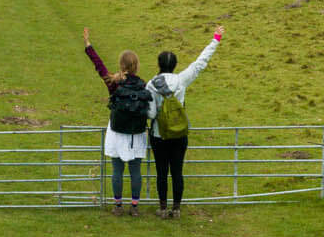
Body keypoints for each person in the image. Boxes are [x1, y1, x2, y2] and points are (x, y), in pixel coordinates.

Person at [146, 26, 224, 218]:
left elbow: (151, 113)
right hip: (179, 133)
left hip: (158, 134)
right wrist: (215, 39)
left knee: (162, 172)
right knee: (177, 171)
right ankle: (177, 208)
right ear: (174, 65)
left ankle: (163, 208)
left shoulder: (151, 84)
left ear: (159, 64)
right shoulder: (182, 80)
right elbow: (200, 63)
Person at [83, 26, 152, 214]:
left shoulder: (113, 83)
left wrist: (88, 45)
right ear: (136, 66)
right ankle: (135, 207)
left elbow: (99, 66)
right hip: (136, 133)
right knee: (135, 171)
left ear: (121, 65)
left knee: (117, 170)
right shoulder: (143, 86)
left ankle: (118, 205)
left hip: (116, 130)